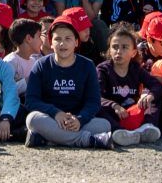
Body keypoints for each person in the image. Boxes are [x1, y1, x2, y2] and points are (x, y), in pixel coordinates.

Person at [22, 9, 112, 148]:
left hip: (77, 120)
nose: (62, 44)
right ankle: (88, 140)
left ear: (76, 42)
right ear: (51, 43)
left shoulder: (87, 65)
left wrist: (79, 120)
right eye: (57, 39)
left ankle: (49, 139)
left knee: (105, 125)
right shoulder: (41, 65)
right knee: (32, 119)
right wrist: (56, 113)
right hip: (51, 118)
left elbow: (93, 102)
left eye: (68, 39)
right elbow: (31, 101)